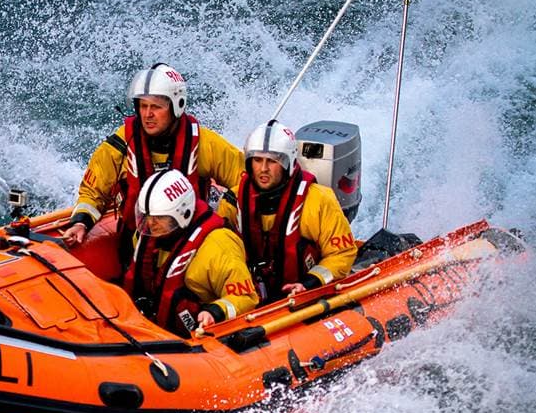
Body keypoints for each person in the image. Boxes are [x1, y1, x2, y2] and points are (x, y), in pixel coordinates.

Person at [61, 63, 244, 266]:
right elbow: (92, 192)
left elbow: (245, 179)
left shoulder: (203, 143)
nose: (147, 114)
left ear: (177, 105)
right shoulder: (121, 145)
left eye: (156, 106)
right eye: (143, 105)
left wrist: (222, 215)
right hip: (136, 245)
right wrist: (80, 223)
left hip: (194, 246)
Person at [233, 120, 357, 302]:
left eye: (272, 161)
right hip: (252, 298)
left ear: (287, 163)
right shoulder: (233, 200)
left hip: (305, 293)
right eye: (257, 160)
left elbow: (342, 253)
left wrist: (311, 282)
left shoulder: (319, 199)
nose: (264, 169)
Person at [123, 170, 258, 337]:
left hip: (194, 339)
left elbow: (246, 297)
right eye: (147, 216)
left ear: (182, 214)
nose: (151, 224)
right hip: (150, 330)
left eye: (159, 217)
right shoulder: (147, 238)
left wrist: (215, 311)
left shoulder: (219, 246)